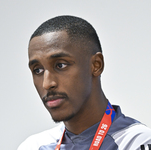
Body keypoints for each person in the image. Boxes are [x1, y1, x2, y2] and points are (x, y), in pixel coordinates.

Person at [18, 15, 151, 150]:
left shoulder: (137, 143)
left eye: (60, 65)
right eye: (38, 70)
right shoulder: (33, 146)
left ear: (96, 65)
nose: (47, 84)